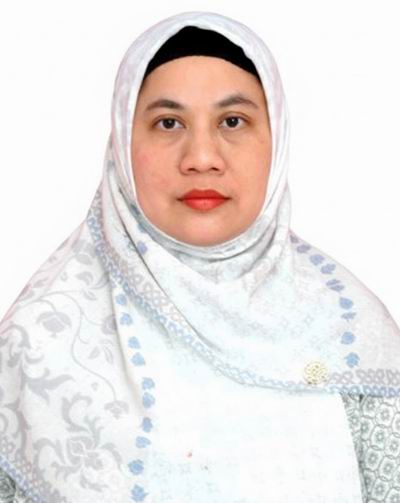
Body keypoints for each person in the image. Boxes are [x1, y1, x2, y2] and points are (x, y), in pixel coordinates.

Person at [1, 10, 400, 503]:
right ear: (122, 143)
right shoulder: (39, 346)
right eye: (168, 123)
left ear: (276, 140)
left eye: (233, 121)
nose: (202, 157)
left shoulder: (351, 333)